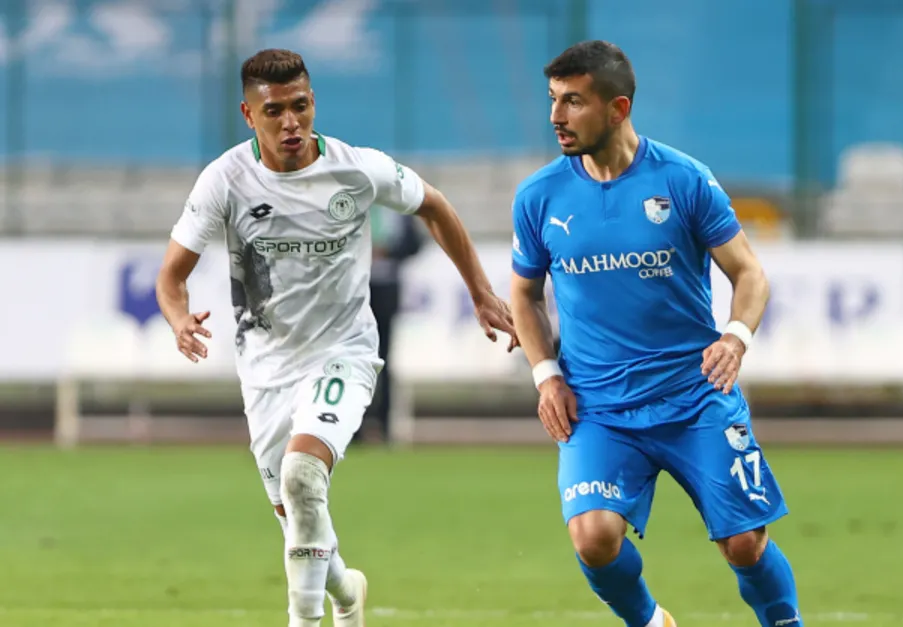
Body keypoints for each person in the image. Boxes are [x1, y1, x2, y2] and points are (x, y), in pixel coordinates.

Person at [155, 48, 516, 627]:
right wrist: (178, 320)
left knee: (303, 475)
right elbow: (171, 277)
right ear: (248, 115)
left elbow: (435, 207)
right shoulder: (225, 180)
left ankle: (304, 620)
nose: (291, 122)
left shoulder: (357, 170)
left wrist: (479, 290)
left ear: (314, 102)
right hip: (265, 368)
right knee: (298, 517)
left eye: (300, 106)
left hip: (344, 353)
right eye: (274, 111)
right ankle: (347, 594)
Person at [509, 41, 802, 627]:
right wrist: (546, 377)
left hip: (695, 397)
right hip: (599, 408)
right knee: (593, 537)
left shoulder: (683, 180)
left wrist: (735, 337)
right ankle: (650, 621)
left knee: (744, 544)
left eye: (573, 101)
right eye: (553, 100)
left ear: (617, 108)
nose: (556, 116)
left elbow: (749, 274)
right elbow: (523, 293)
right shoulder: (539, 195)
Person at [361, 209, 425, 443]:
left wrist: (389, 250)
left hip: (387, 286)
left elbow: (414, 242)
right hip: (355, 288)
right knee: (354, 358)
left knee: (385, 360)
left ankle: (384, 424)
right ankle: (353, 426)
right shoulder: (352, 198)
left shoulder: (396, 206)